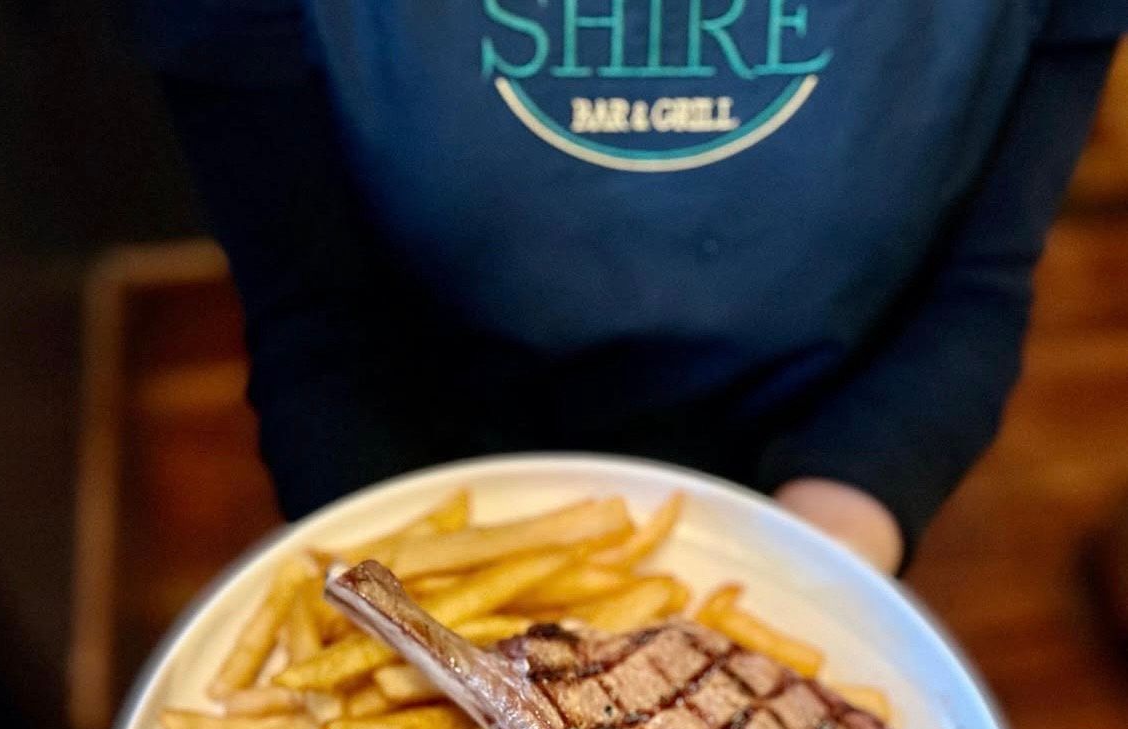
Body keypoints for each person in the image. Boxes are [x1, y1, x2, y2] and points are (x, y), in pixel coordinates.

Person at [128, 2, 1125, 573]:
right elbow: (316, 324)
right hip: (430, 476)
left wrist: (820, 570)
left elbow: (976, 289)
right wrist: (419, 609)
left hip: (816, 481)